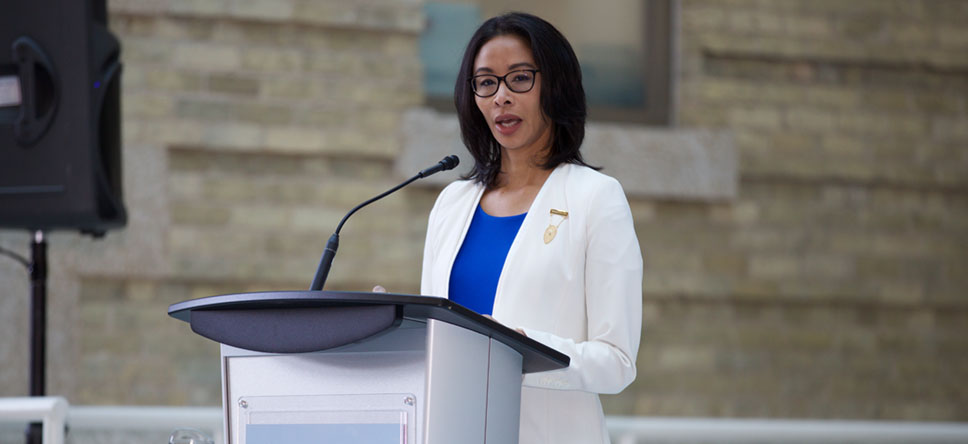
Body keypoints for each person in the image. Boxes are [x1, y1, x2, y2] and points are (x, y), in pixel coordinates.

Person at [420, 12, 643, 444]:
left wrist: (524, 348)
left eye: (519, 78)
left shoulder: (596, 197)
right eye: (486, 82)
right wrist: (399, 325)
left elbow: (617, 363)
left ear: (555, 85)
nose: (501, 97)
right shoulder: (452, 203)